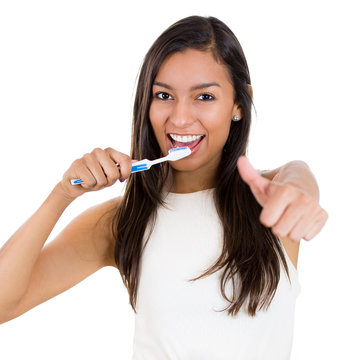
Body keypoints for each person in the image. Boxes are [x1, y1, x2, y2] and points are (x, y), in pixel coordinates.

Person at [0, 15, 327, 359]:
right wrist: (62, 194)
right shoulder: (121, 222)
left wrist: (300, 192)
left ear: (239, 105)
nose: (181, 118)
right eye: (164, 95)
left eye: (204, 96)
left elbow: (297, 179)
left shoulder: (275, 198)